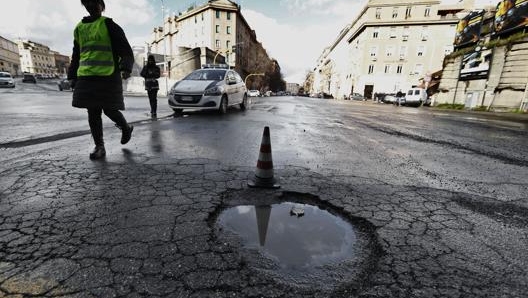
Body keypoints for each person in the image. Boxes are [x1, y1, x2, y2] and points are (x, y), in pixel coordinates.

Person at [68, 0, 134, 160]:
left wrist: (126, 67)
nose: (93, 6)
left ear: (101, 6)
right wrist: (72, 76)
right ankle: (99, 146)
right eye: (89, 3)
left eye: (96, 3)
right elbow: (76, 55)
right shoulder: (79, 28)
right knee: (93, 111)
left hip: (107, 75)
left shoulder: (109, 25)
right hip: (87, 76)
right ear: (85, 6)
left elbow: (125, 49)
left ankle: (125, 128)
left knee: (110, 109)